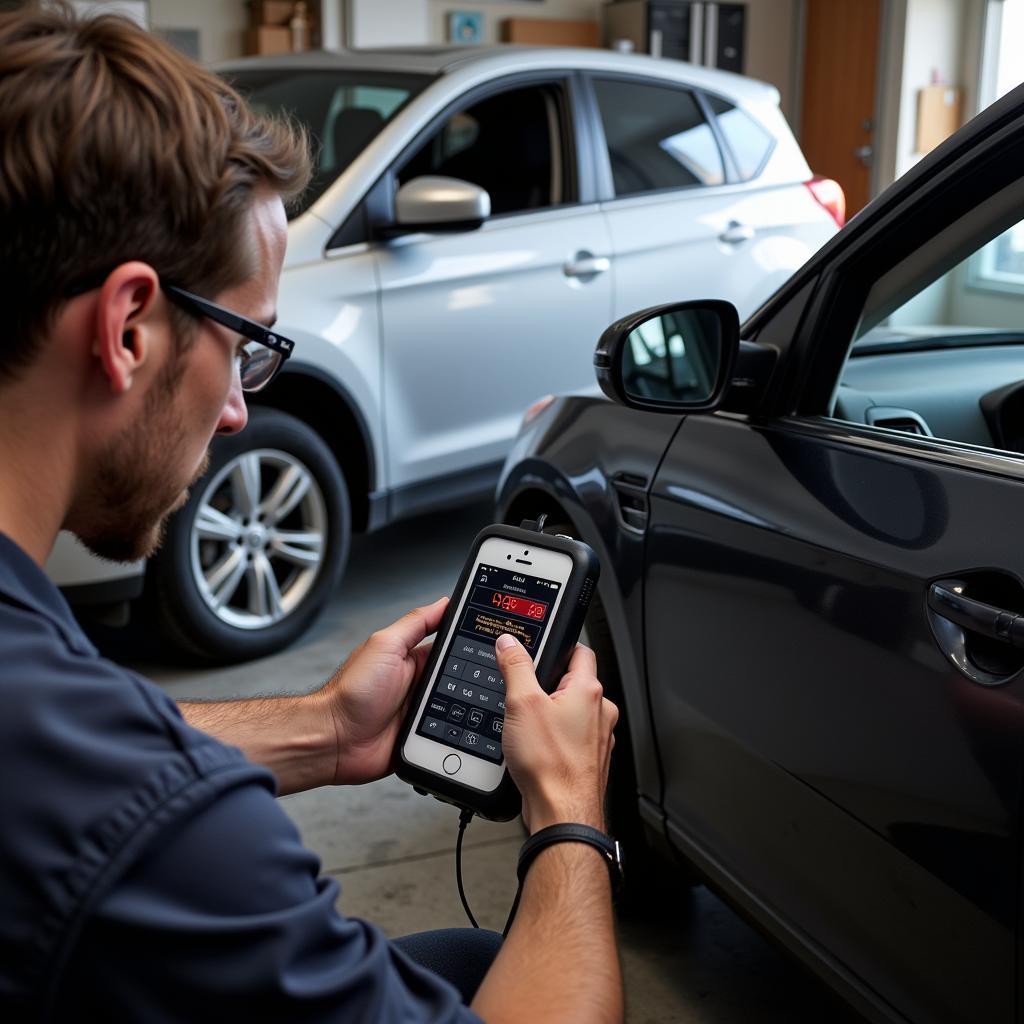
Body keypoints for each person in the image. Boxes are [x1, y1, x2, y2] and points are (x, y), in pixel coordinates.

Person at [0, 4, 622, 1022]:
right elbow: (115, 796)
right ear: (126, 328)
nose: (241, 410)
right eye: (245, 344)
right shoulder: (173, 841)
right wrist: (567, 819)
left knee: (465, 957)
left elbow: (73, 753)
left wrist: (325, 730)